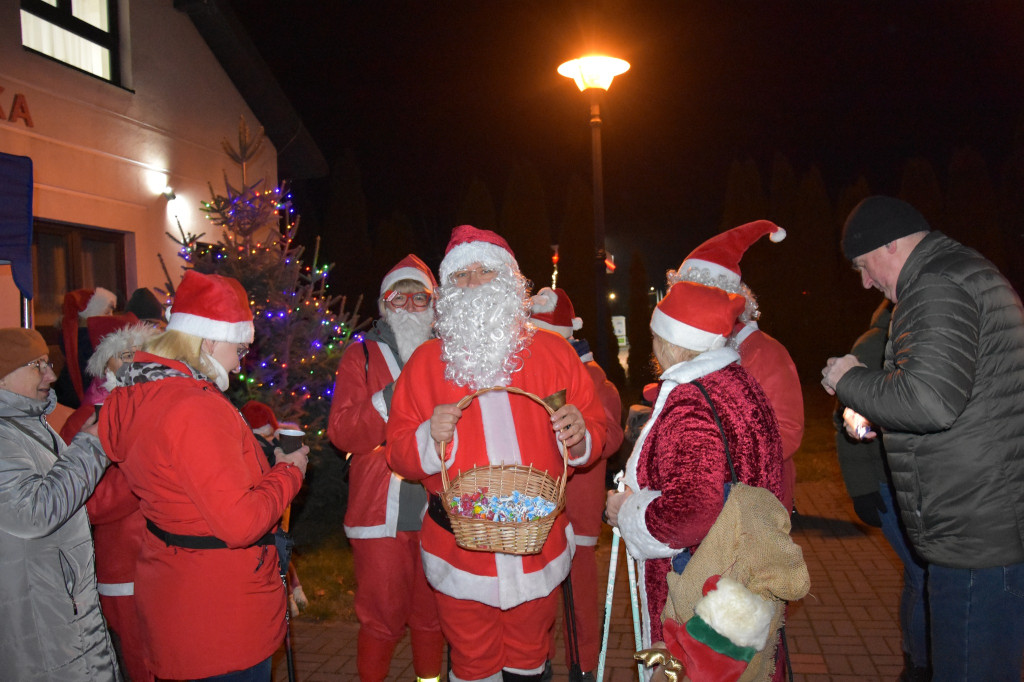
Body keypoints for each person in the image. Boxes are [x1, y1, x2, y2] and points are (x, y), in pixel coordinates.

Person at [385, 225, 607, 682]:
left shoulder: (554, 352)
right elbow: (399, 454)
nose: (472, 283)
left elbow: (597, 426)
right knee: (472, 661)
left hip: (536, 543)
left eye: (484, 271)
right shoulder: (425, 363)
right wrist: (429, 436)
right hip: (458, 549)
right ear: (448, 289)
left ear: (508, 278)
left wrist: (581, 435)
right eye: (460, 275)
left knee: (530, 655)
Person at [821, 195, 1024, 682]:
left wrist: (850, 380)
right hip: (986, 517)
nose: (866, 282)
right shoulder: (963, 272)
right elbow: (965, 398)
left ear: (889, 245)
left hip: (971, 529)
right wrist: (877, 413)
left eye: (863, 266)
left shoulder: (935, 284)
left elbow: (931, 402)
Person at [98, 270, 309, 681]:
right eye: (239, 348)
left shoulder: (143, 392)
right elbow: (240, 522)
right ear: (209, 340)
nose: (240, 362)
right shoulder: (193, 406)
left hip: (176, 593)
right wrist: (290, 471)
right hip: (219, 615)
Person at [604, 281, 784, 660]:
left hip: (700, 593)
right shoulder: (739, 383)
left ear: (670, 343)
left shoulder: (690, 402)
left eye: (655, 337)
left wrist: (628, 511)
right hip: (743, 580)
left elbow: (691, 512)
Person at [327, 254, 445, 682]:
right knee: (382, 618)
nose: (410, 306)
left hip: (438, 506)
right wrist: (395, 396)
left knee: (432, 616)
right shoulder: (360, 355)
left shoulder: (447, 355)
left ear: (433, 304)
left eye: (420, 297)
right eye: (400, 297)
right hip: (380, 510)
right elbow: (342, 431)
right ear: (384, 303)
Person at [0, 327, 122, 681]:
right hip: (39, 620)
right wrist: (92, 444)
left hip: (62, 610)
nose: (51, 376)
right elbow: (33, 513)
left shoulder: (28, 423)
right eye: (36, 365)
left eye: (48, 363)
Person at [669, 220, 803, 513]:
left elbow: (787, 433)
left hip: (757, 508)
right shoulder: (705, 353)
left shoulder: (765, 353)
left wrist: (713, 448)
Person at [58, 315, 159, 682]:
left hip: (170, 560)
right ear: (105, 362)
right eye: (127, 355)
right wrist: (147, 476)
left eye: (143, 353)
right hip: (126, 566)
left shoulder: (158, 407)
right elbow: (85, 502)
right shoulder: (86, 421)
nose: (137, 363)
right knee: (143, 662)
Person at [529, 286, 624, 679]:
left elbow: (611, 438)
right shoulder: (529, 374)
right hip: (539, 509)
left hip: (579, 511)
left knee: (580, 598)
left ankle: (584, 667)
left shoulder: (594, 380)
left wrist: (583, 430)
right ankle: (538, 663)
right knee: (539, 598)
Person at [833, 299, 929, 681]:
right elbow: (848, 420)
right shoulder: (875, 343)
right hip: (886, 484)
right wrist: (862, 488)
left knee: (921, 574)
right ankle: (919, 663)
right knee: (921, 574)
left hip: (915, 483)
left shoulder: (917, 335)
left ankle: (919, 656)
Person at [55, 286, 118, 407]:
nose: (112, 318)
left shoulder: (80, 342)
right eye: (106, 313)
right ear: (90, 317)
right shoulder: (87, 345)